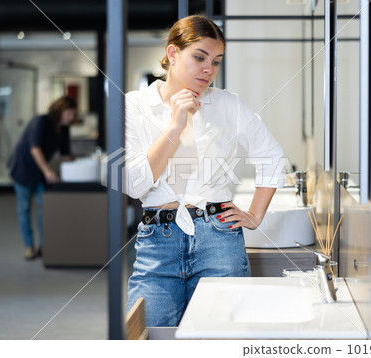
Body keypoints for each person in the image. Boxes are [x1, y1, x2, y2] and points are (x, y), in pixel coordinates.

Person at [125, 15, 285, 327]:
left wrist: (254, 215)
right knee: (149, 335)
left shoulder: (226, 104)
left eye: (216, 61)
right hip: (158, 242)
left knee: (220, 338)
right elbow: (134, 184)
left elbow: (272, 155)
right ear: (173, 54)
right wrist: (176, 124)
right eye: (199, 57)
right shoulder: (134, 105)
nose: (208, 69)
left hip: (219, 239)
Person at [7, 96, 77, 260]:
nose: (71, 118)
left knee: (45, 206)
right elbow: (35, 149)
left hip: (40, 171)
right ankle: (29, 246)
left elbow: (66, 155)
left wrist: (79, 166)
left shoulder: (64, 128)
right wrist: (47, 171)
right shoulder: (41, 121)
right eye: (68, 113)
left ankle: (45, 245)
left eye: (73, 114)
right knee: (24, 208)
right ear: (59, 110)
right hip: (22, 169)